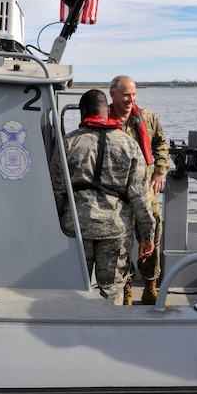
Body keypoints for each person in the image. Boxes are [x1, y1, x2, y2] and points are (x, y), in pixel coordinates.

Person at [50, 89, 156, 305]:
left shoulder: (67, 144)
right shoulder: (129, 145)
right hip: (115, 231)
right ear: (106, 112)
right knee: (112, 291)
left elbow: (57, 191)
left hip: (76, 230)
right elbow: (141, 197)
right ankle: (108, 333)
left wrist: (58, 226)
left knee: (75, 289)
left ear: (83, 112)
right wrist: (148, 236)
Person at [108, 75, 169, 305]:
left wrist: (160, 171)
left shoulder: (147, 118)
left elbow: (161, 144)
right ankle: (126, 289)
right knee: (121, 243)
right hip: (117, 196)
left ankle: (151, 287)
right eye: (125, 95)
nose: (130, 100)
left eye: (133, 95)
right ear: (112, 95)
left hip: (145, 192)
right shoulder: (102, 120)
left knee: (152, 237)